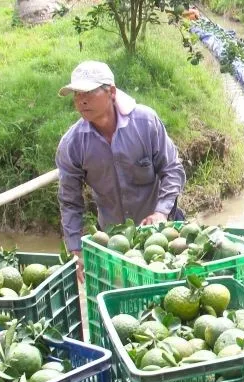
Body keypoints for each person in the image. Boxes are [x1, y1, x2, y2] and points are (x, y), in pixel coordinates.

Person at [55, 60, 186, 282]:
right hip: (114, 243)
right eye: (77, 94)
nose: (81, 100)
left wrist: (161, 212)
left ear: (111, 92)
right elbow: (70, 201)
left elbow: (172, 169)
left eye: (89, 92)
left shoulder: (145, 122)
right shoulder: (73, 144)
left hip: (163, 235)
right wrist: (75, 249)